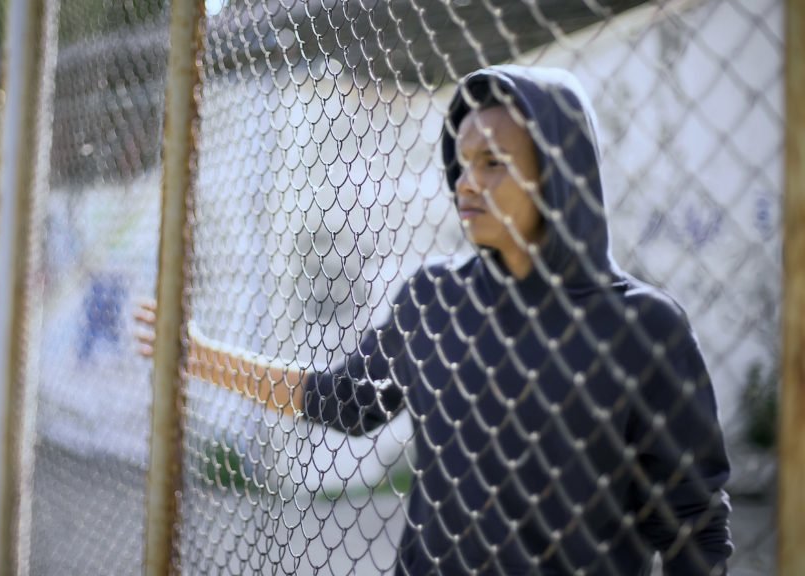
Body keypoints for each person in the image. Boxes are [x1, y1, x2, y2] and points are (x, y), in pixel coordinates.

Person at [136, 65, 733, 575]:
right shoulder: (433, 299)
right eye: (462, 159)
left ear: (559, 168)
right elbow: (341, 400)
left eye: (494, 162)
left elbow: (693, 529)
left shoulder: (644, 329)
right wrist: (195, 354)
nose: (467, 181)